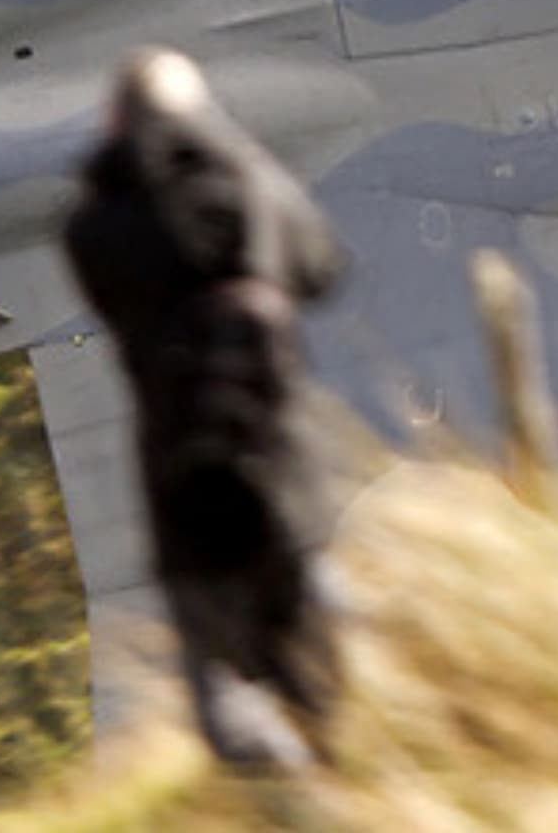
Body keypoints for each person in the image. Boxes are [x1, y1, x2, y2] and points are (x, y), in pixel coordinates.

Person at [63, 48, 347, 766]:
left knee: (225, 698)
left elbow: (110, 283)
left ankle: (290, 797)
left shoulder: (98, 227)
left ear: (115, 122)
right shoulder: (252, 189)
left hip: (181, 478)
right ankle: (352, 781)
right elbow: (319, 267)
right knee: (326, 662)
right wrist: (235, 149)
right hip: (283, 466)